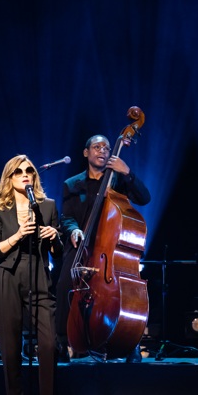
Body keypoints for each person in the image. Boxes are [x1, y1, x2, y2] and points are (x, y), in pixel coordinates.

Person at [0, 155, 63, 395]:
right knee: (10, 350)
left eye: (29, 170)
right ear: (9, 177)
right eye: (18, 172)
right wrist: (18, 235)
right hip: (7, 277)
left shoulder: (48, 205)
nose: (25, 174)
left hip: (39, 276)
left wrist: (55, 238)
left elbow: (59, 255)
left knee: (48, 344)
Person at [56, 134, 151, 361]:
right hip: (82, 247)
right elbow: (66, 217)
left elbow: (144, 198)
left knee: (123, 292)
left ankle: (129, 342)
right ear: (86, 152)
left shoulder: (119, 181)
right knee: (64, 286)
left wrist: (127, 172)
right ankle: (62, 342)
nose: (102, 151)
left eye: (107, 148)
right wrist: (73, 230)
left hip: (110, 250)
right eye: (97, 147)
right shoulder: (72, 184)